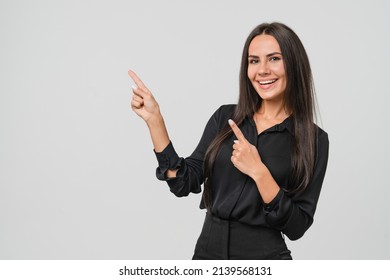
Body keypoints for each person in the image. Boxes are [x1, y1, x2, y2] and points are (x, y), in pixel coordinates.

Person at [129, 22, 329, 260]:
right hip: (207, 253)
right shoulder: (225, 118)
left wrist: (259, 172)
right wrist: (155, 120)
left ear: (294, 65)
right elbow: (183, 182)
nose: (262, 70)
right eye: (254, 61)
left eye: (274, 58)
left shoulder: (313, 139)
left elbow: (297, 226)